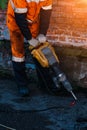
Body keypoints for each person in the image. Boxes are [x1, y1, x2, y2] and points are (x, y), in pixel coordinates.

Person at [6, 0, 52, 96]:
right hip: (15, 20)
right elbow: (20, 19)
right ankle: (22, 84)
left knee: (39, 49)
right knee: (18, 53)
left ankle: (44, 83)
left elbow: (46, 14)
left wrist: (42, 33)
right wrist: (29, 38)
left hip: (33, 20)